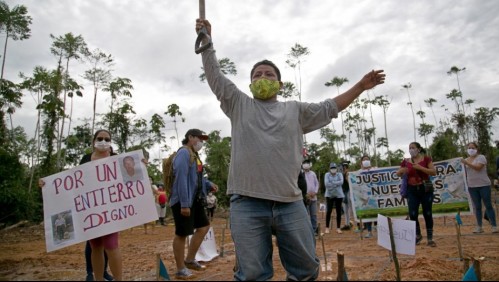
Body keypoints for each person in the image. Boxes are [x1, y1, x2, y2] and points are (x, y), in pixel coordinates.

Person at [195, 18, 385, 281]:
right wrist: (206, 42)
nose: (263, 77)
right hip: (247, 203)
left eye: (269, 74)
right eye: (257, 75)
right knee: (251, 274)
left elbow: (330, 107)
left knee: (306, 270)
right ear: (250, 85)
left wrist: (361, 87)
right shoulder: (238, 103)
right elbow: (215, 76)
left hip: (290, 203)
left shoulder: (295, 110)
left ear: (280, 84)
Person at [170, 129, 219, 279]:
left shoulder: (194, 155)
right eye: (199, 138)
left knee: (204, 227)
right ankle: (180, 269)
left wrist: (208, 183)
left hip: (195, 200)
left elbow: (197, 178)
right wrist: (184, 204)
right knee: (182, 234)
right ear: (190, 137)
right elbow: (181, 179)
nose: (201, 142)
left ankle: (190, 260)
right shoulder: (184, 153)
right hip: (184, 201)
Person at [396, 142, 437, 247]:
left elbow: (433, 172)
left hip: (425, 189)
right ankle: (418, 235)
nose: (411, 150)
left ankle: (430, 238)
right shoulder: (405, 162)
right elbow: (398, 173)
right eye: (409, 148)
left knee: (427, 213)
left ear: (418, 149)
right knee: (413, 213)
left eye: (413, 148)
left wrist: (420, 168)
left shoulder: (426, 159)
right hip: (411, 190)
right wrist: (401, 171)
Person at [461, 142, 498, 233]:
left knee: (488, 205)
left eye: (473, 148)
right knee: (477, 207)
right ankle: (479, 226)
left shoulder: (481, 157)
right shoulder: (465, 160)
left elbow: (478, 168)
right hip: (472, 187)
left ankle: (494, 226)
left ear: (477, 149)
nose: (471, 149)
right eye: (469, 148)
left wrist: (467, 163)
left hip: (484, 185)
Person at [324, 162, 345, 234]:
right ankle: (327, 228)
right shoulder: (327, 174)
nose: (333, 169)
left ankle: (338, 228)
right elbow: (326, 184)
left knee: (338, 211)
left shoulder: (340, 174)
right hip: (329, 195)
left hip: (339, 195)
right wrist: (336, 183)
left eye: (334, 168)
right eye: (332, 168)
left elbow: (342, 182)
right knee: (329, 211)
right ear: (329, 169)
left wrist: (332, 183)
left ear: (336, 169)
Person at [358, 155, 376, 239]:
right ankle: (369, 231)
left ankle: (377, 227)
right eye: (364, 160)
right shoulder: (359, 172)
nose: (366, 161)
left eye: (367, 159)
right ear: (361, 162)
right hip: (365, 196)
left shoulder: (374, 170)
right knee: (368, 213)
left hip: (374, 194)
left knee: (377, 212)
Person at [302, 159, 319, 235]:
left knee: (314, 215)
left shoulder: (313, 174)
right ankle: (307, 231)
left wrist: (315, 192)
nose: (306, 165)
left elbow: (317, 184)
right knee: (306, 215)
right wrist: (306, 194)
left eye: (307, 163)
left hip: (314, 197)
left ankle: (314, 230)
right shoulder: (301, 174)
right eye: (304, 163)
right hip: (305, 198)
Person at [340, 162, 353, 231]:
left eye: (343, 167)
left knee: (349, 209)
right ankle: (347, 223)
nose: (343, 168)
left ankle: (349, 223)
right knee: (346, 210)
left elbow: (349, 182)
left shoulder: (347, 174)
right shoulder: (342, 174)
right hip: (344, 192)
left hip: (348, 192)